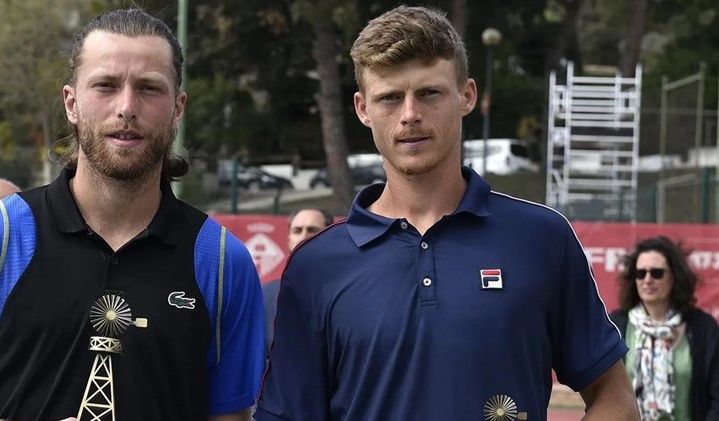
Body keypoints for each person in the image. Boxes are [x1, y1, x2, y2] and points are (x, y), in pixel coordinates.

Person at [255, 6, 639, 420]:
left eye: (429, 93)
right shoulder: (316, 266)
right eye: (389, 98)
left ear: (466, 96)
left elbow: (614, 398)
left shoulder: (542, 237)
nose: (410, 115)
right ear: (363, 109)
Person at [0, 8, 265, 421]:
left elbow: (231, 417)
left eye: (149, 88)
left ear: (178, 108)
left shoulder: (220, 261)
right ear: (71, 103)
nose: (127, 107)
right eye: (106, 86)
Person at [610, 236, 719, 420]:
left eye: (657, 273)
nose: (647, 279)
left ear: (675, 276)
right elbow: (605, 394)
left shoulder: (703, 328)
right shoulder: (616, 326)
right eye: (640, 273)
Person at [261, 208, 334, 351]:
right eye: (297, 230)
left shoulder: (346, 292)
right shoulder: (265, 294)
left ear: (330, 237)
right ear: (288, 240)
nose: (303, 236)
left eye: (312, 230)